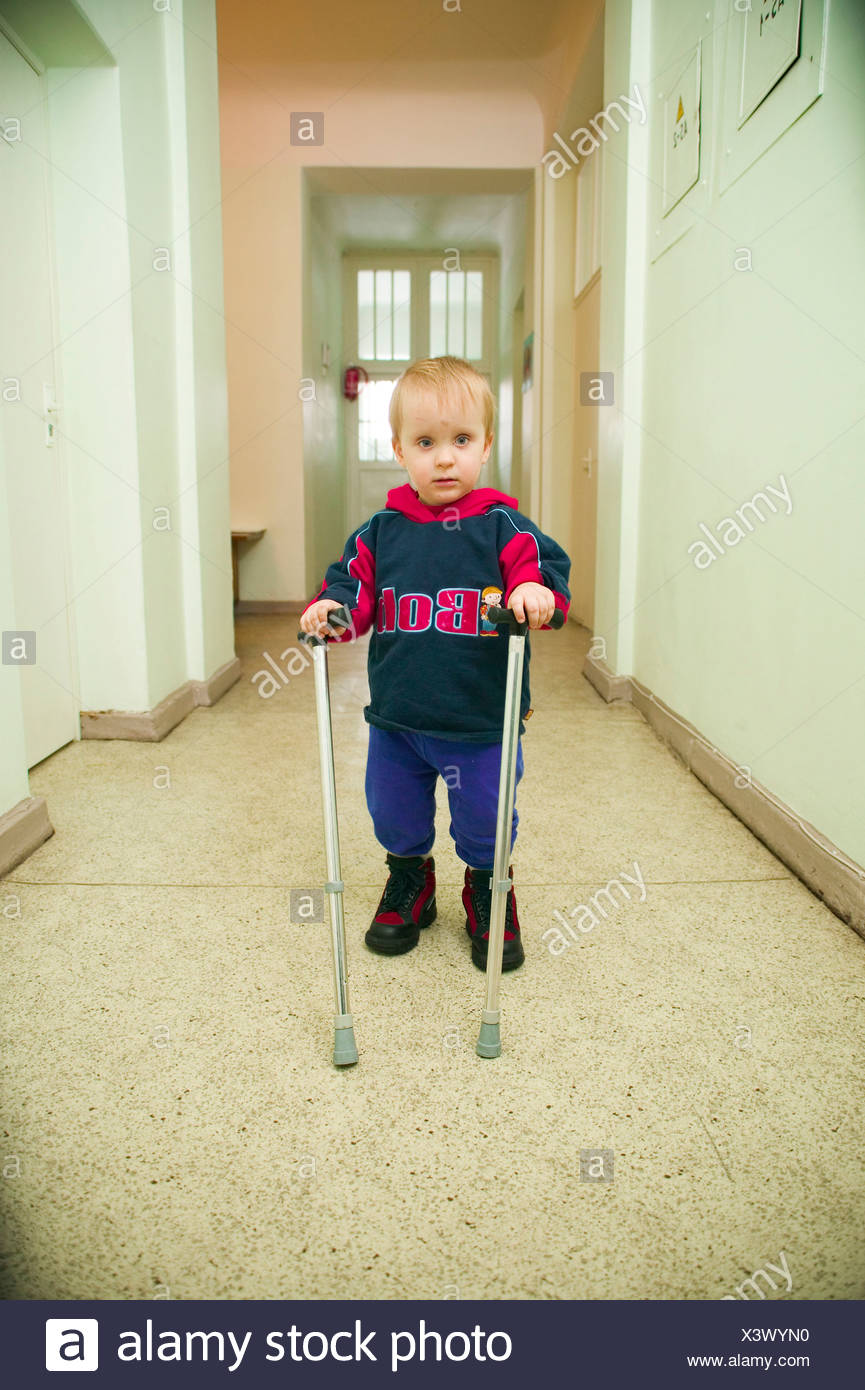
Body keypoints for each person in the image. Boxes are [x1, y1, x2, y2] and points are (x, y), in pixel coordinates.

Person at [299, 355, 571, 971]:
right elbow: (352, 597)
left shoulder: (505, 528)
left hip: (481, 722)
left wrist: (536, 596)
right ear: (398, 449)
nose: (444, 458)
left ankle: (486, 885)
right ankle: (409, 878)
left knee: (486, 816)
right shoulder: (381, 533)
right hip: (398, 717)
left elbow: (544, 576)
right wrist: (330, 611)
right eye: (425, 442)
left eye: (461, 440)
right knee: (391, 808)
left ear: (486, 446)